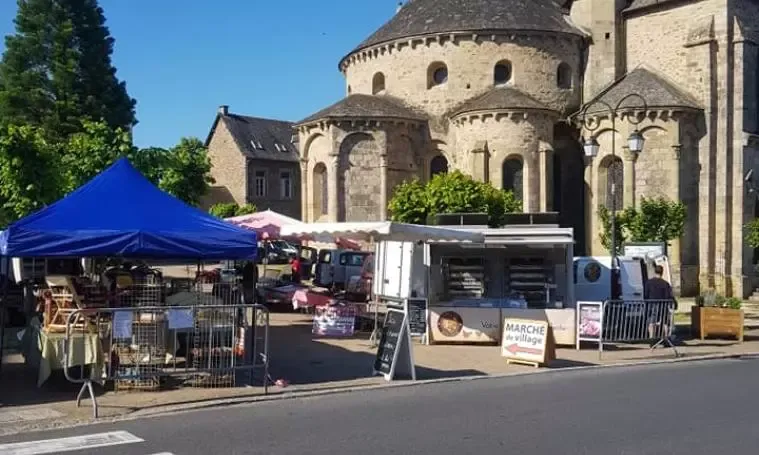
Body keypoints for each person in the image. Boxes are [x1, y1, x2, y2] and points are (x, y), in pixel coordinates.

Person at [644, 265, 677, 346]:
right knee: (665, 322)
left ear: (655, 271)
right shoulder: (665, 284)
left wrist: (646, 302)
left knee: (652, 322)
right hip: (663, 305)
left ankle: (652, 339)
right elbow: (668, 295)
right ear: (662, 272)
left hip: (652, 304)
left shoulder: (649, 282)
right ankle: (666, 339)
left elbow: (645, 295)